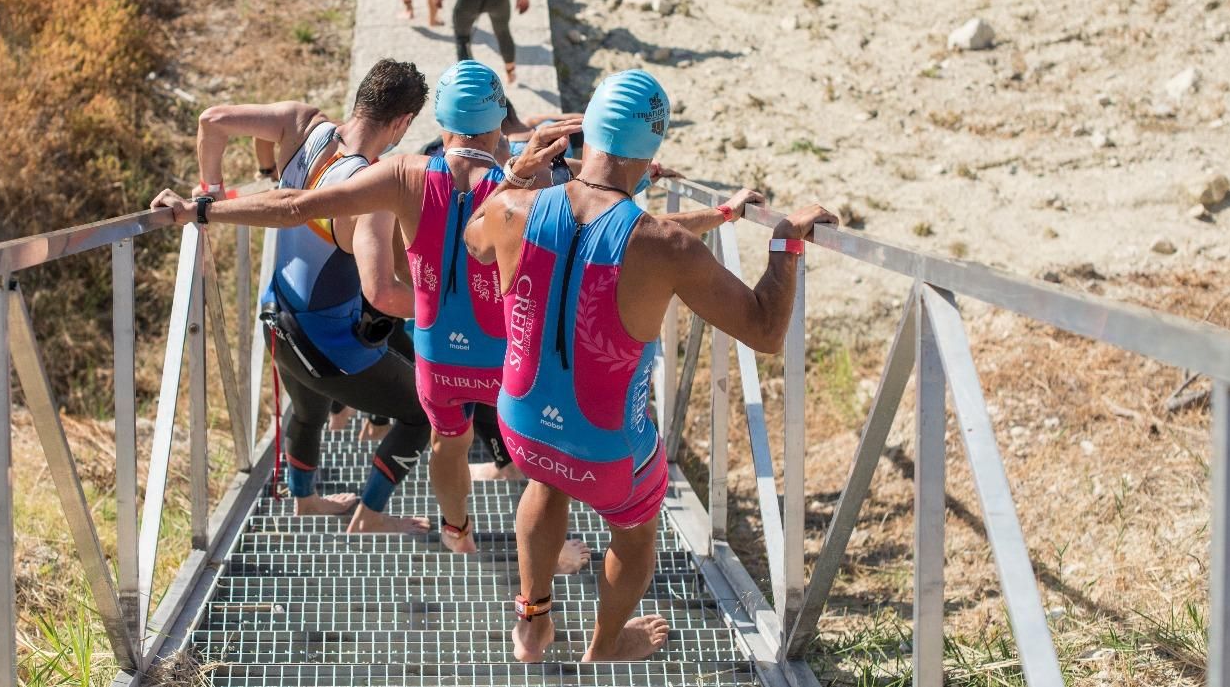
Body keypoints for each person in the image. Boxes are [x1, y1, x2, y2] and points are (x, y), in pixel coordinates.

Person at [157, 63, 595, 569]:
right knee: (530, 452)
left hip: (287, 321)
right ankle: (539, 560)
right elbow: (580, 244)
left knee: (416, 433)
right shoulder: (529, 186)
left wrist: (204, 206)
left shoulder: (381, 164)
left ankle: (448, 527)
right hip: (485, 350)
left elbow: (289, 200)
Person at [464, 69, 837, 663]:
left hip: (522, 428)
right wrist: (785, 243)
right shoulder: (666, 247)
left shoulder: (514, 208)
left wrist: (515, 172)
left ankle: (532, 621)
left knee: (546, 481)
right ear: (653, 145)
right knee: (635, 537)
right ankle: (605, 647)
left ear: (587, 131)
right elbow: (765, 330)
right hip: (608, 453)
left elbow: (473, 239)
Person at [174, 59, 435, 534]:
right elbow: (384, 291)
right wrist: (454, 309)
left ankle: (306, 501)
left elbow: (212, 121)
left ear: (361, 98)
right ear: (402, 123)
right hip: (325, 344)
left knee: (311, 409)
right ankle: (370, 515)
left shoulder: (300, 122)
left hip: (276, 319)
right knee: (422, 412)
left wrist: (214, 187)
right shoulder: (369, 191)